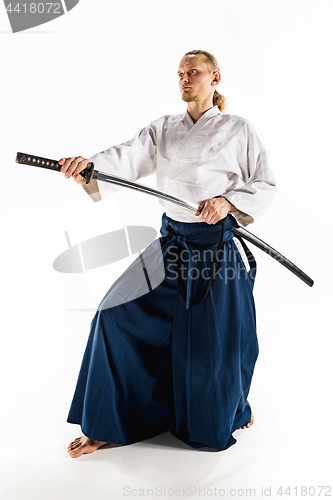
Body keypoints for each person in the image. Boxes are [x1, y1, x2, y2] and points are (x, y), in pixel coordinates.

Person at [60, 50, 277, 458]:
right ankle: (110, 422)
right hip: (172, 244)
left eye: (193, 71)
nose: (185, 78)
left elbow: (265, 183)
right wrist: (89, 166)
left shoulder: (238, 129)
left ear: (215, 77)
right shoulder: (164, 128)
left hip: (214, 251)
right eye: (180, 73)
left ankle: (229, 410)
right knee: (113, 315)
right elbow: (123, 158)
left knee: (215, 343)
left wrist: (227, 203)